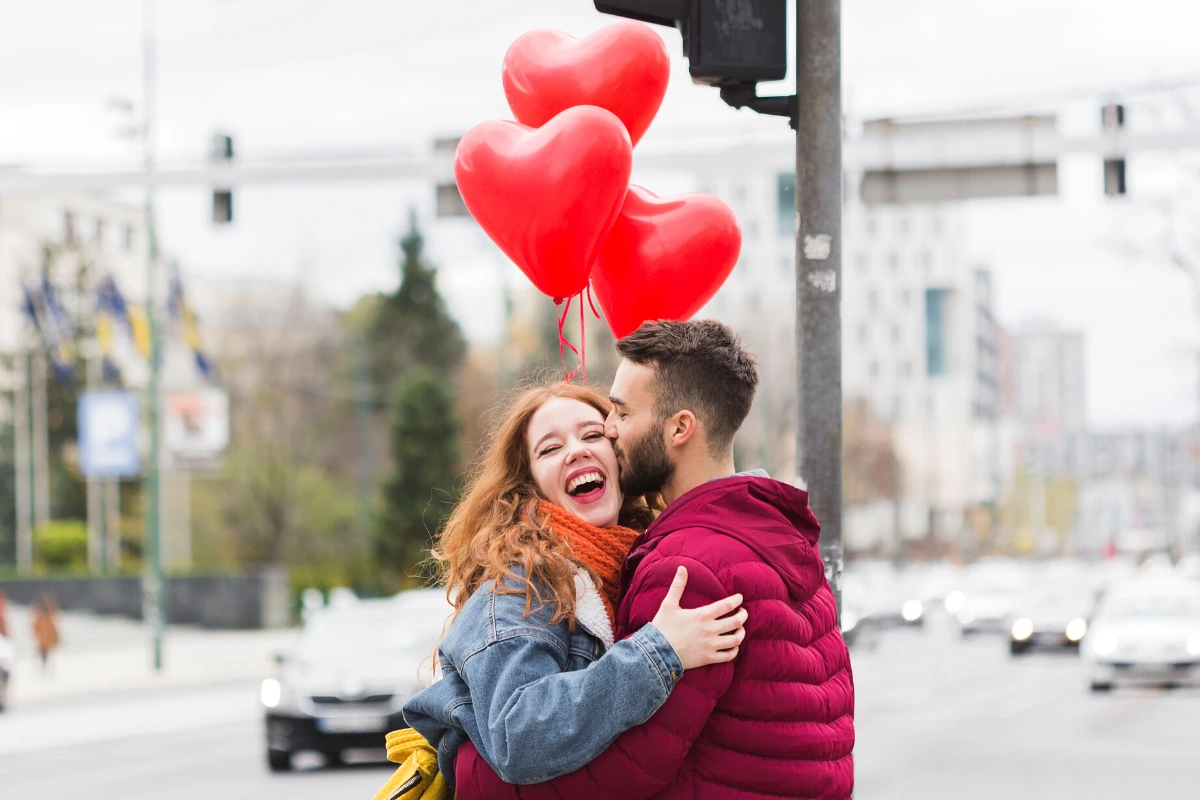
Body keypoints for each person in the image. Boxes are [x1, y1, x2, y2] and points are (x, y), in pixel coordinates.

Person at [454, 319, 855, 800]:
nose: (607, 429)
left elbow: (629, 771)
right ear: (528, 481)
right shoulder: (779, 537)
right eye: (551, 448)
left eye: (616, 416)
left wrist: (468, 770)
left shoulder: (682, 569)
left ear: (680, 427)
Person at [402, 382, 748, 792]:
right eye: (549, 449)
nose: (576, 451)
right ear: (528, 485)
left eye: (593, 435)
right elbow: (518, 737)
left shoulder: (635, 565)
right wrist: (659, 652)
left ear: (620, 458)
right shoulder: (521, 585)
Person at [30, 592, 61, 675]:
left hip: (46, 642)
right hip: (42, 642)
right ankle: (40, 671)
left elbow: (53, 629)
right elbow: (36, 628)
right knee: (42, 655)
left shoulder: (48, 618)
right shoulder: (41, 618)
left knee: (46, 656)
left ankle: (45, 671)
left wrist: (55, 638)